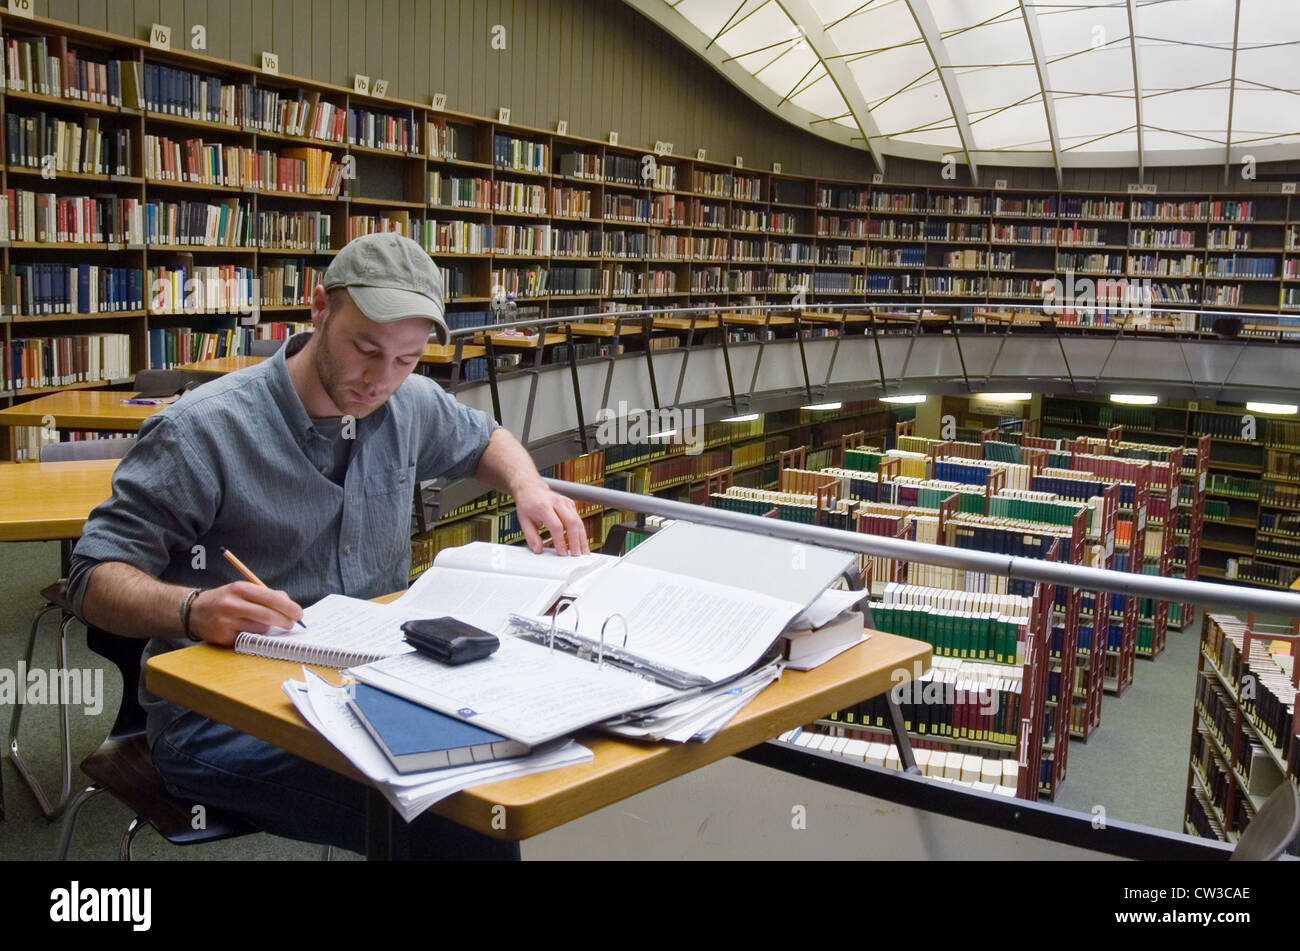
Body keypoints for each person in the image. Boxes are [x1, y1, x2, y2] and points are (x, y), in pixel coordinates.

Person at [66, 232, 590, 859]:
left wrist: (527, 485)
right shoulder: (202, 431)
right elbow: (92, 577)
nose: (380, 380)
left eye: (407, 359)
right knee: (455, 820)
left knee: (510, 761)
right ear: (319, 309)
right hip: (219, 721)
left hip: (371, 686)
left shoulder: (410, 402)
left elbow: (484, 438)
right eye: (365, 349)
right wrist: (189, 610)